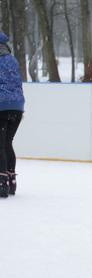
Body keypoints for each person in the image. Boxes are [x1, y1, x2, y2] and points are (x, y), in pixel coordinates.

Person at [0, 31, 24, 198]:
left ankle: (1, 184)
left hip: (1, 105)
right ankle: (11, 181)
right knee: (7, 142)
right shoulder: (12, 59)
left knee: (0, 144)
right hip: (17, 106)